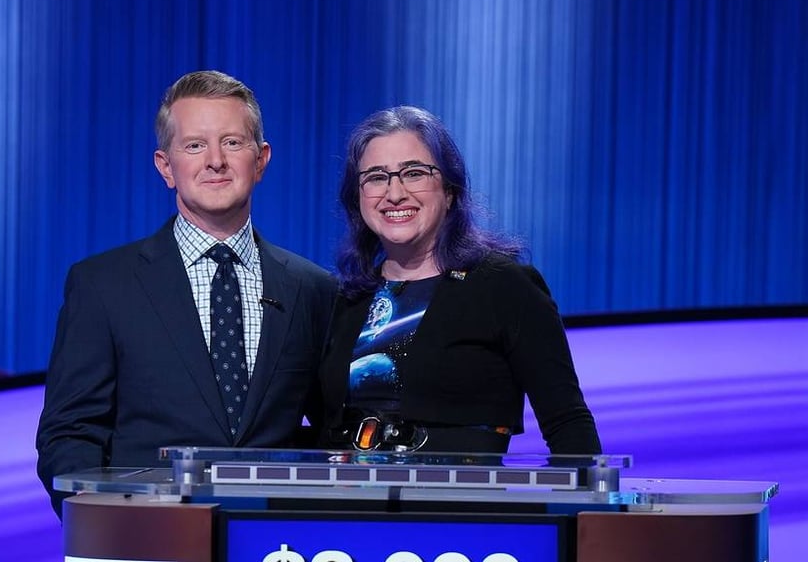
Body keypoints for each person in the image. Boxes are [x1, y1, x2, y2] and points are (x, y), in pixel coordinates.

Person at [36, 70, 336, 518]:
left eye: (233, 143)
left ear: (262, 159)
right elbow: (71, 434)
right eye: (195, 145)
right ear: (165, 166)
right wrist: (109, 530)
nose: (215, 160)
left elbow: (332, 434)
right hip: (146, 542)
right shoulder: (103, 285)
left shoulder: (313, 289)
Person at [319, 106, 601, 455]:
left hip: (458, 503)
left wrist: (587, 503)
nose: (394, 193)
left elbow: (566, 421)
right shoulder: (346, 297)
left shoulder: (504, 286)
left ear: (449, 190)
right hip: (349, 505)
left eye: (414, 173)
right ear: (357, 198)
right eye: (376, 177)